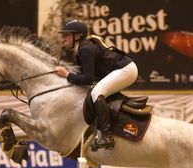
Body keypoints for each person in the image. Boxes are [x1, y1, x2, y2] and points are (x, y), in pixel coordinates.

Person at [55, 20, 138, 151]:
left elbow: (88, 79)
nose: (63, 38)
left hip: (126, 70)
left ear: (77, 36)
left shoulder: (85, 49)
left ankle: (106, 136)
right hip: (123, 69)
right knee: (96, 92)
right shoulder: (81, 48)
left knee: (96, 93)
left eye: (67, 35)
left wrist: (67, 75)